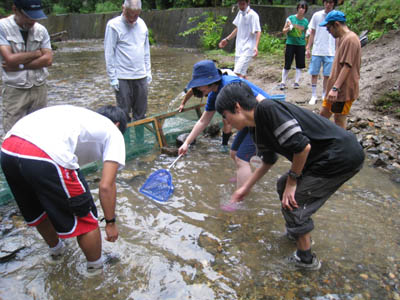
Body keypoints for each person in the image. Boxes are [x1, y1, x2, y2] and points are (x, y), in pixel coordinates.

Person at [215, 81, 364, 270]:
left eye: (226, 117)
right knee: (281, 185)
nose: (226, 123)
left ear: (237, 107)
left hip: (341, 155)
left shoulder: (268, 109)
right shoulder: (256, 131)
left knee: (294, 202)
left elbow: (302, 146)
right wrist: (245, 188)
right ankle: (297, 234)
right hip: (321, 158)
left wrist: (293, 182)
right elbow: (269, 160)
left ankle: (306, 260)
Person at [0, 105, 127, 272]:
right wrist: (110, 223)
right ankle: (96, 271)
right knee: (86, 218)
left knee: (39, 209)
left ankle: (57, 253)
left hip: (8, 149)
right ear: (118, 125)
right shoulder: (113, 131)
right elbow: (106, 186)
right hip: (43, 153)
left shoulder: (81, 117)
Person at [178, 60, 271, 189]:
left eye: (199, 85)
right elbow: (203, 121)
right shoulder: (213, 94)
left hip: (262, 119)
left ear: (209, 82)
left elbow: (261, 99)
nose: (197, 89)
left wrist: (274, 119)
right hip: (248, 122)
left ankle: (240, 200)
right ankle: (244, 176)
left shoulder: (230, 84)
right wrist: (187, 142)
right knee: (234, 153)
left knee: (241, 159)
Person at [0, 0, 53, 135]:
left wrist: (20, 66)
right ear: (15, 10)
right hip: (15, 89)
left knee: (40, 132)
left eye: (35, 16)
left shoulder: (41, 30)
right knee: (12, 133)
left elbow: (48, 59)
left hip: (39, 87)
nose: (32, 20)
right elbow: (9, 59)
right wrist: (36, 53)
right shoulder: (3, 28)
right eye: (28, 16)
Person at [104, 0, 151, 142]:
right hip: (122, 77)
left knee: (141, 113)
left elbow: (146, 50)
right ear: (123, 8)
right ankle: (125, 144)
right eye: (129, 15)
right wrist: (113, 77)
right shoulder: (113, 25)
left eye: (135, 15)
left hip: (141, 75)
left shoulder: (142, 25)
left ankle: (140, 141)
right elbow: (109, 53)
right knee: (123, 114)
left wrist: (148, 72)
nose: (132, 19)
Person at [319, 10, 361, 129]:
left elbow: (347, 66)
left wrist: (335, 88)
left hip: (343, 90)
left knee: (339, 120)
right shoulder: (341, 38)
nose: (328, 32)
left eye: (329, 28)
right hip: (334, 89)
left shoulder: (351, 40)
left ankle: (344, 146)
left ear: (336, 24)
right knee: (323, 116)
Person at [178, 68, 237, 153]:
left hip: (228, 78)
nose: (200, 90)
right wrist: (186, 143)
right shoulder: (209, 92)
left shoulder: (228, 85)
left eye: (202, 90)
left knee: (227, 120)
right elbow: (203, 121)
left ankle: (224, 144)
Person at [218, 0, 261, 79]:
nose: (241, 6)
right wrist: (227, 39)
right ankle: (248, 90)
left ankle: (237, 90)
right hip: (239, 48)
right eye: (239, 4)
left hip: (248, 48)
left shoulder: (253, 15)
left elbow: (258, 31)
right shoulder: (240, 13)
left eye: (243, 4)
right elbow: (238, 28)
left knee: (236, 73)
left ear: (248, 3)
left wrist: (256, 46)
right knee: (242, 75)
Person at [306, 0, 337, 105]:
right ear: (324, 3)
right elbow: (312, 32)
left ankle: (324, 94)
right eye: (327, 2)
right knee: (314, 73)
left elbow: (338, 36)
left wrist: (338, 50)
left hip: (330, 50)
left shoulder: (336, 16)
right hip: (317, 49)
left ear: (334, 4)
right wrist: (308, 47)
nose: (328, 4)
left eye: (331, 2)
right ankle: (314, 95)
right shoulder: (317, 15)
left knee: (327, 75)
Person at [279, 1, 309, 90]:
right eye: (299, 7)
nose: (301, 9)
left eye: (303, 8)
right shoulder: (290, 18)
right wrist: (289, 28)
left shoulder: (305, 21)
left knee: (299, 64)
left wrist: (307, 46)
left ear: (305, 10)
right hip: (290, 43)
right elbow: (283, 31)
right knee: (287, 63)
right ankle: (283, 82)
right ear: (297, 8)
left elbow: (307, 34)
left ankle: (296, 82)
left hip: (301, 44)